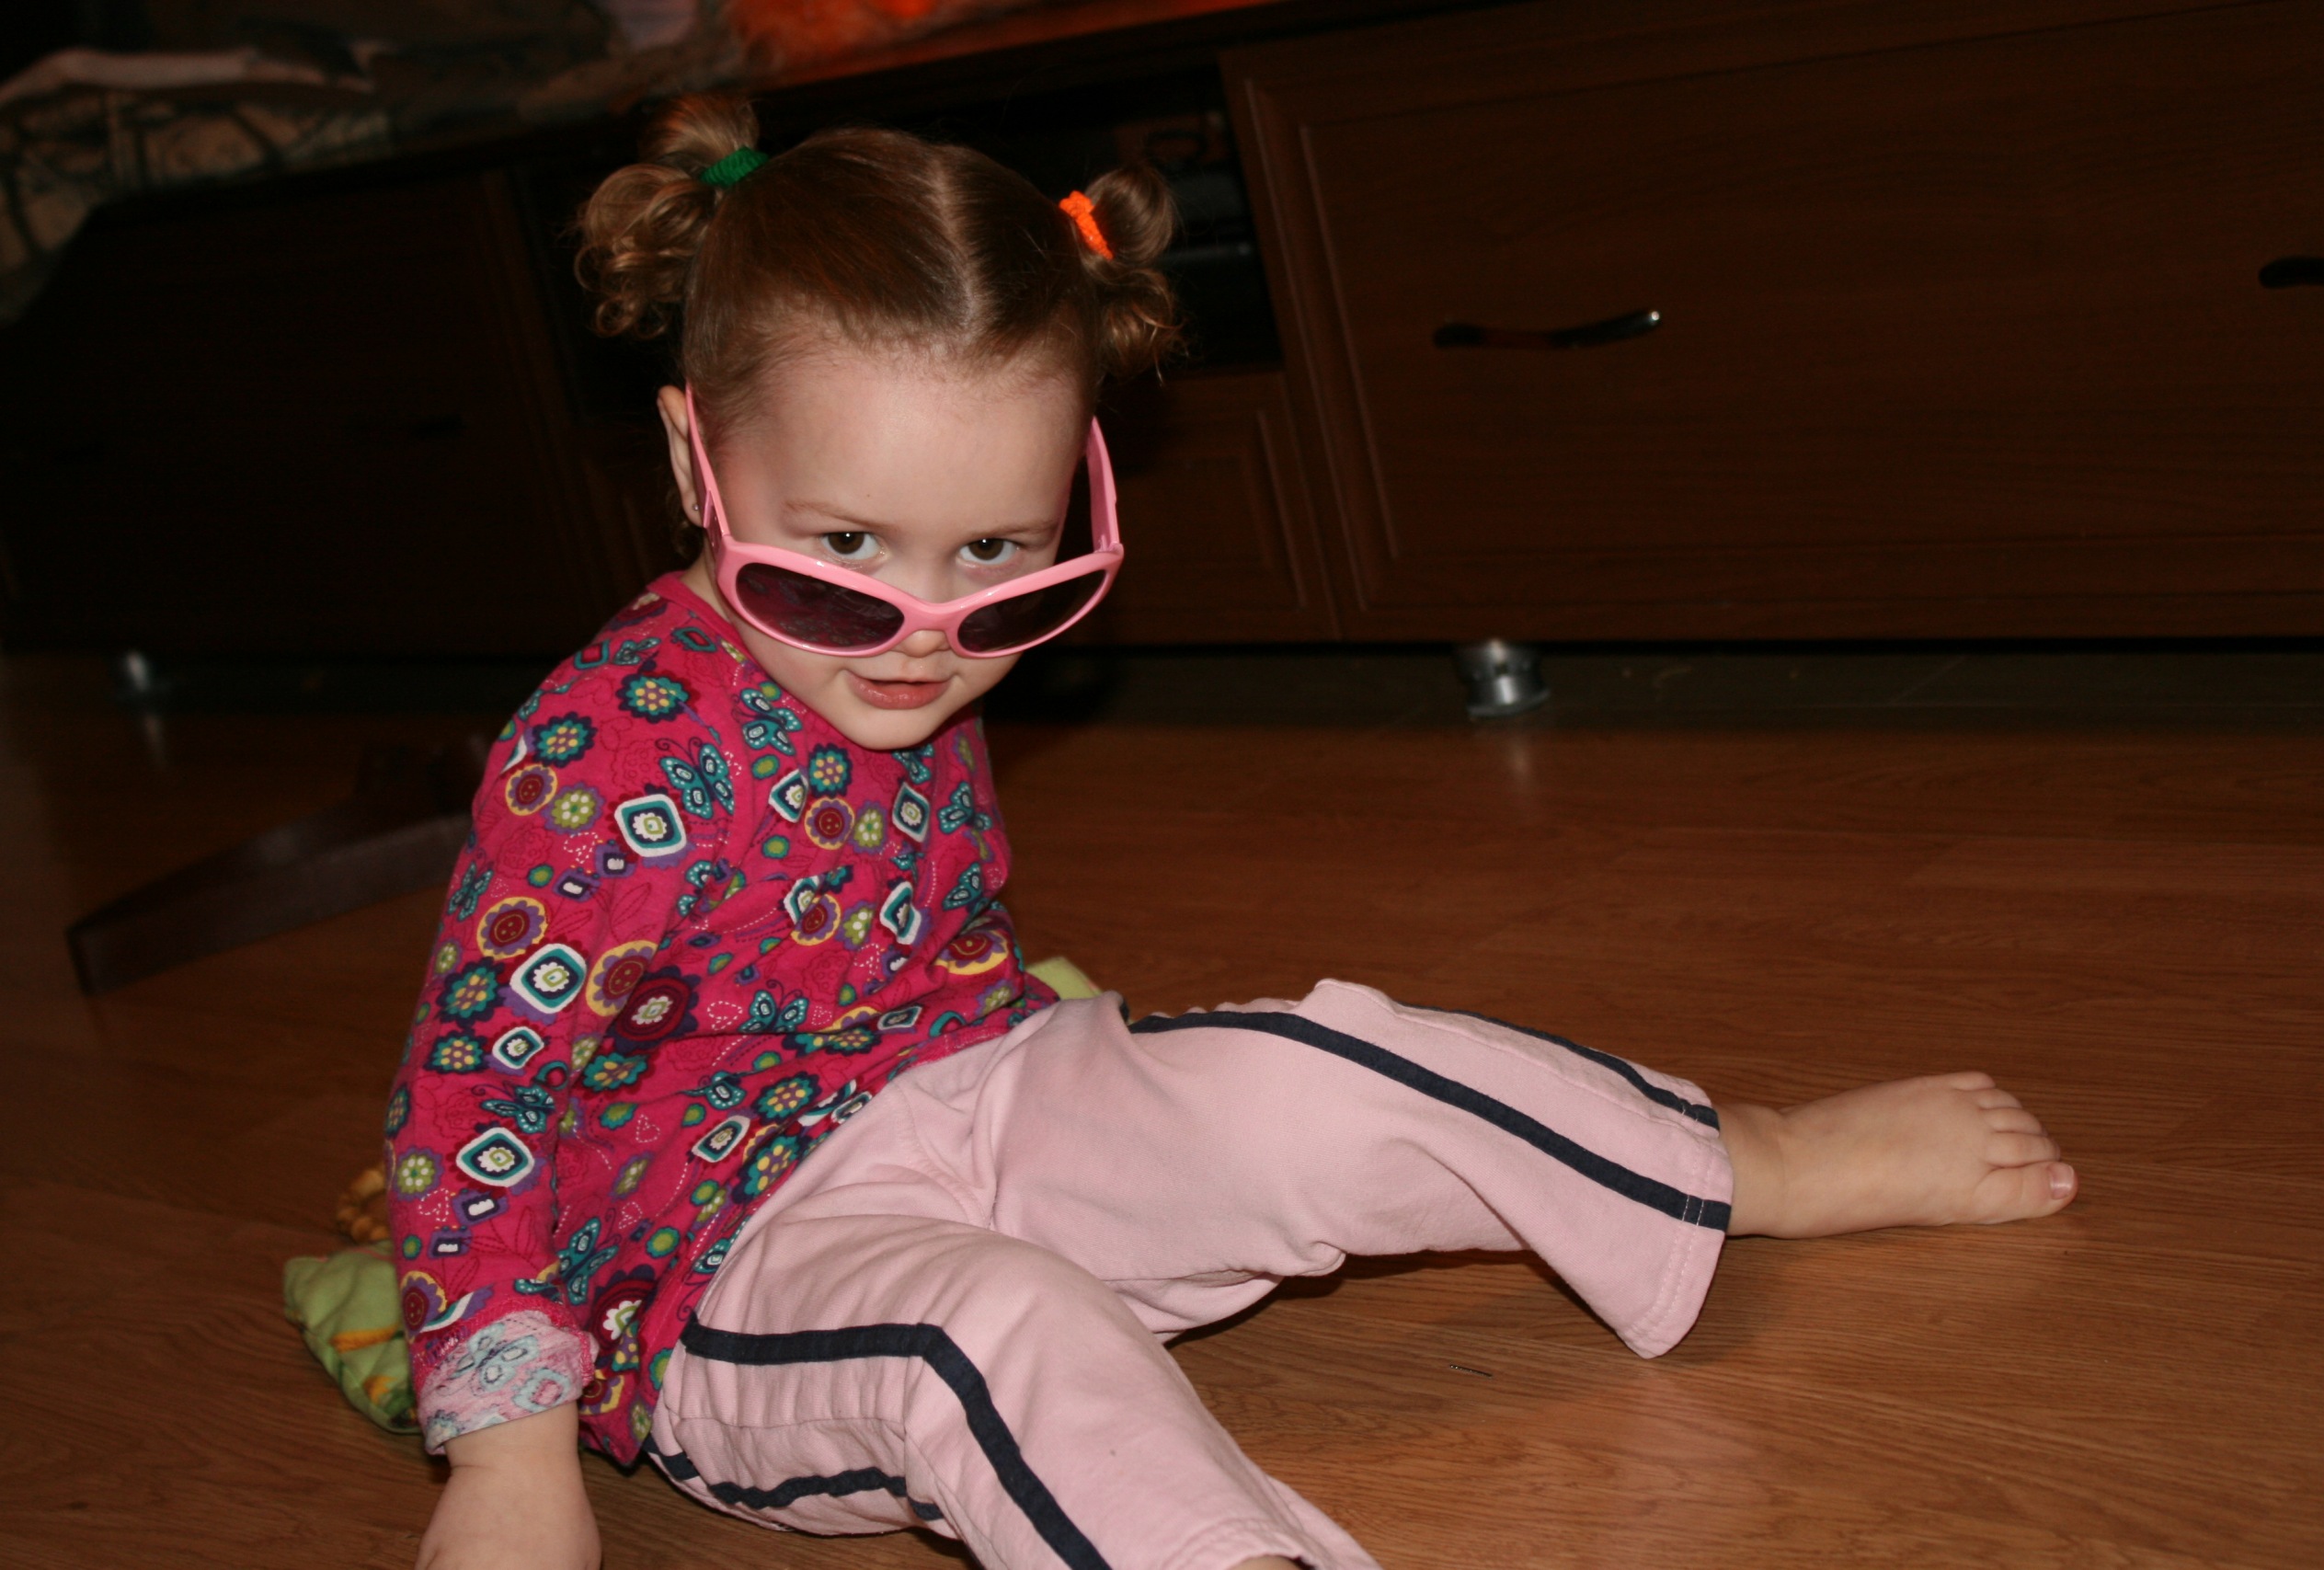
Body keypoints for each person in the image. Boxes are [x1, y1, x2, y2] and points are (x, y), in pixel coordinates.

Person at [388, 92, 2079, 1570]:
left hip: (978, 1087)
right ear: (696, 459)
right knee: (992, 1331)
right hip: (724, 1270)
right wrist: (511, 1461)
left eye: (1002, 559)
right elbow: (474, 1107)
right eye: (842, 554)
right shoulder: (595, 763)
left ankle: (1742, 1163)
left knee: (1316, 1067)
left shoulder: (894, 632)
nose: (922, 632)